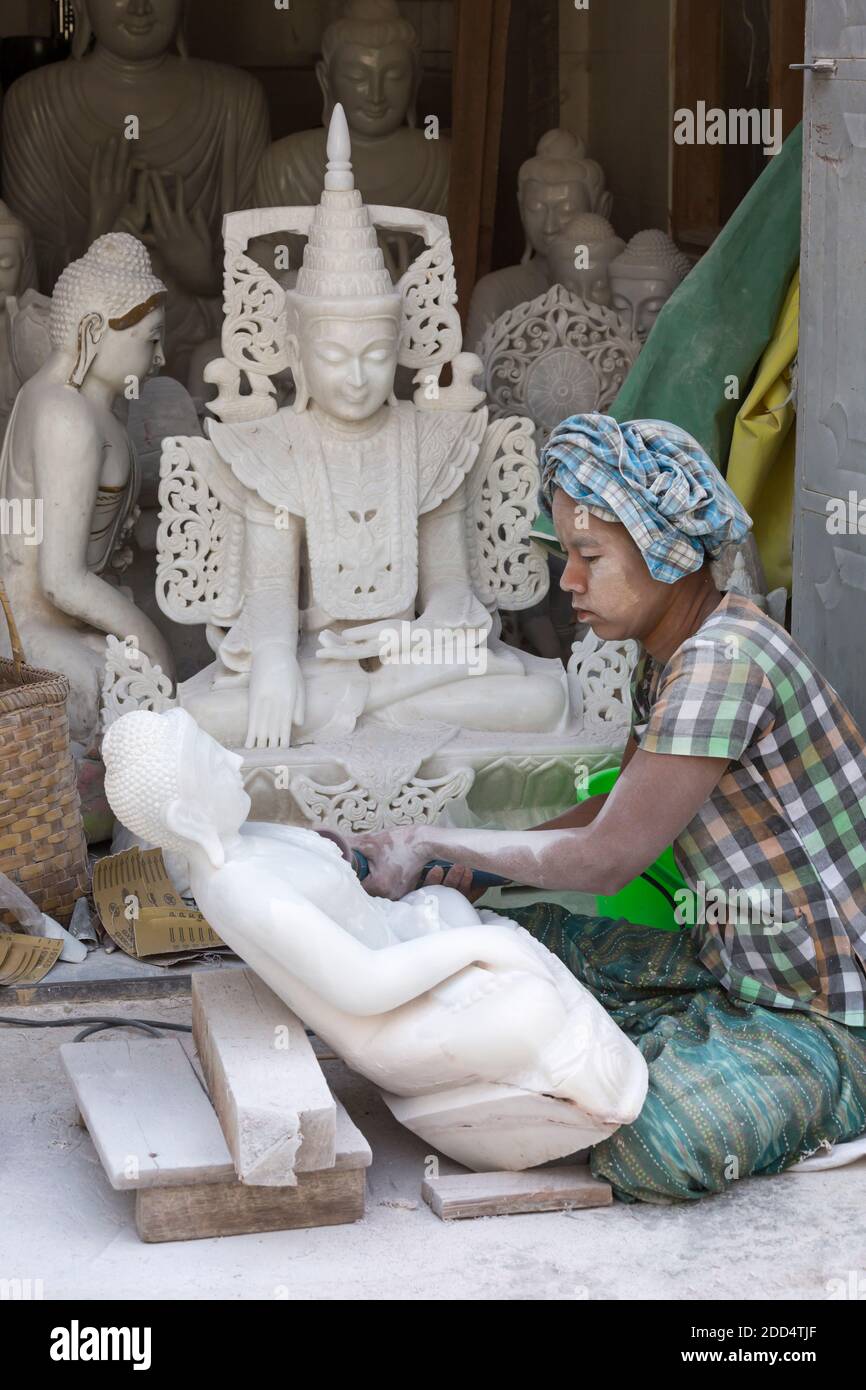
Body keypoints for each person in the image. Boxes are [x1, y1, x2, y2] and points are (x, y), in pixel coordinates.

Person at [350, 411, 866, 1204]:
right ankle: (692, 1046)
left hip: (829, 1020)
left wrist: (426, 838)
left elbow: (610, 859)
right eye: (567, 556)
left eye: (590, 556)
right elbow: (604, 822)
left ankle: (823, 1103)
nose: (569, 581)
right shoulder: (668, 663)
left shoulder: (725, 663)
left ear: (665, 550)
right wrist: (468, 872)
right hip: (734, 978)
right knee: (517, 939)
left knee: (651, 1144)